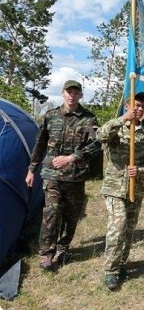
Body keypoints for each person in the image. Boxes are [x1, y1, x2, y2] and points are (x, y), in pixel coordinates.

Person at [25, 80, 100, 271]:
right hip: (52, 175)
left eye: (76, 92)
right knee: (51, 212)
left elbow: (96, 145)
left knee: (71, 215)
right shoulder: (51, 117)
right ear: (62, 93)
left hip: (75, 176)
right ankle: (46, 254)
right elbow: (40, 145)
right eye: (69, 92)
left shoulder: (89, 119)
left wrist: (73, 157)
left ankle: (63, 248)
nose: (72, 96)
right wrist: (31, 170)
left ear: (81, 95)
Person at [97, 92, 144, 291]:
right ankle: (111, 270)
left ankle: (122, 263)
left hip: (135, 189)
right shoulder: (117, 127)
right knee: (118, 226)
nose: (139, 109)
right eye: (136, 105)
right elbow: (101, 135)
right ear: (127, 106)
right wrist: (124, 119)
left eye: (142, 107)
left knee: (129, 229)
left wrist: (139, 170)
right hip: (115, 188)